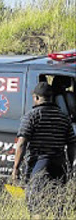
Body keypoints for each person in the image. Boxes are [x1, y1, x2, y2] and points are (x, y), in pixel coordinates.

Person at [12, 82, 76, 217]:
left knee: (37, 206)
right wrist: (69, 166)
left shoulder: (31, 116)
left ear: (36, 98)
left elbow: (22, 143)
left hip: (39, 165)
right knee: (57, 206)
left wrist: (16, 167)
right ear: (51, 98)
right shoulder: (64, 118)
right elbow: (71, 144)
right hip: (59, 165)